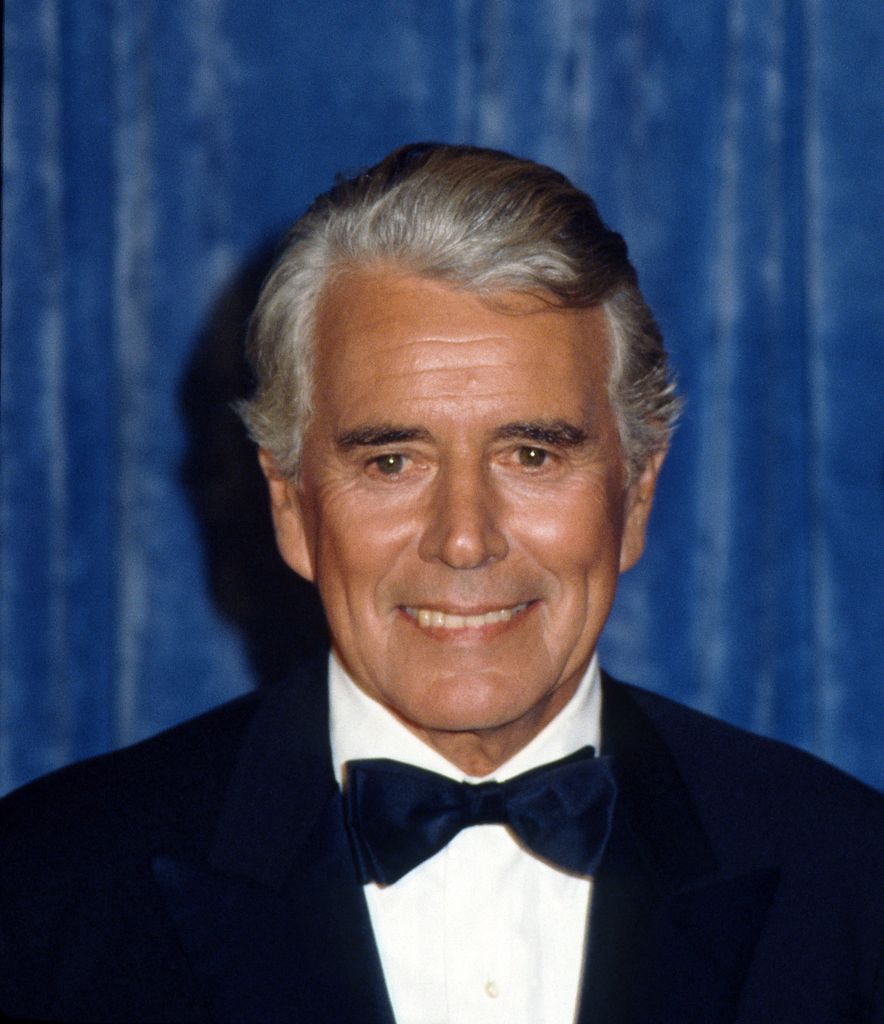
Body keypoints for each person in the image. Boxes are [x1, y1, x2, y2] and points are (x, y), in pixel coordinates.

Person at [1, 143, 881, 1024]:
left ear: (638, 495)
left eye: (532, 455)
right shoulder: (45, 891)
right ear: (291, 507)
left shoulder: (850, 881)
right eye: (391, 461)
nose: (464, 539)